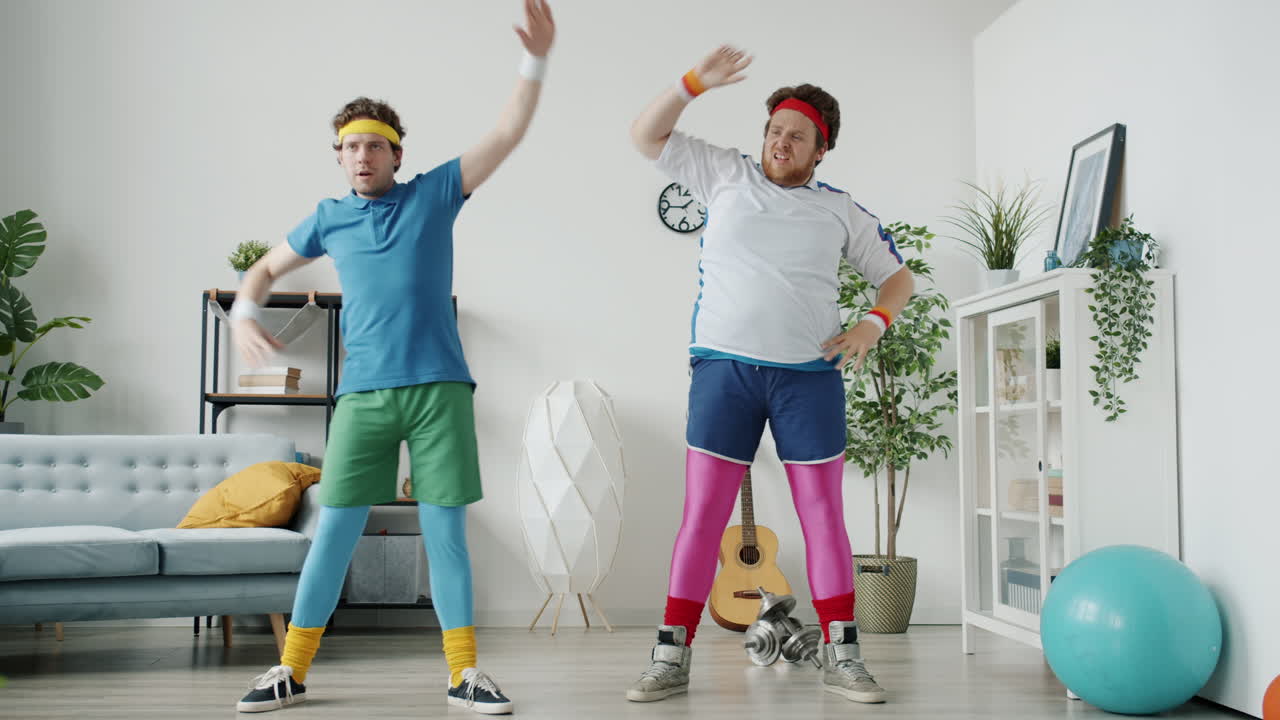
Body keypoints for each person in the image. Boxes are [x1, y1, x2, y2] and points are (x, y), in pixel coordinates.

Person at [228, 1, 555, 714]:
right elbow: (263, 269)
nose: (362, 156)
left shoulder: (435, 194)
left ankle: (464, 673)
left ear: (397, 154)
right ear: (339, 156)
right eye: (350, 146)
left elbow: (507, 132)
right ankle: (291, 670)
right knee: (333, 534)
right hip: (364, 397)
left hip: (439, 390)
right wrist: (244, 313)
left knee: (446, 537)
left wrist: (535, 58)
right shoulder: (328, 217)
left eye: (375, 145)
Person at [625, 45, 914, 705]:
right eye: (775, 130)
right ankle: (670, 655)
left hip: (808, 379)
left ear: (821, 150)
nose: (781, 142)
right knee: (703, 515)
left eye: (798, 136)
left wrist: (873, 324)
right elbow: (644, 135)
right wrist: (693, 83)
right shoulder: (724, 172)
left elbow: (899, 279)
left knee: (823, 517)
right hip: (724, 371)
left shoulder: (840, 209)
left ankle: (843, 655)